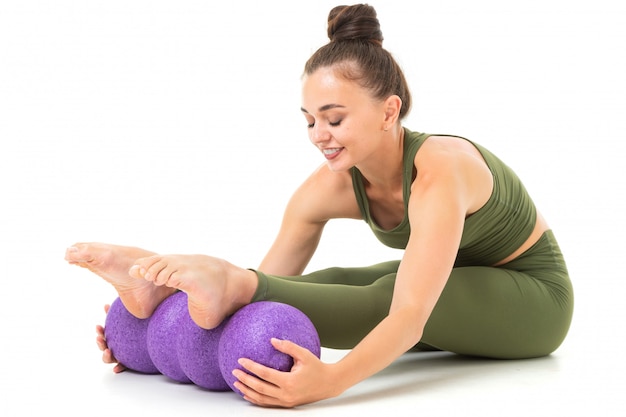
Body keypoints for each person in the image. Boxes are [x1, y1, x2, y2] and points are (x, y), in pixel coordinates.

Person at [65, 4, 574, 408]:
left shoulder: (441, 168)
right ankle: (180, 292)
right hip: (463, 287)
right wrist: (158, 332)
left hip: (535, 302)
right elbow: (265, 292)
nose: (319, 136)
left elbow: (410, 314)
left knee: (386, 295)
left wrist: (331, 381)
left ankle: (223, 273)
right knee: (337, 279)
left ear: (388, 110)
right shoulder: (327, 188)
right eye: (309, 120)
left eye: (334, 118)